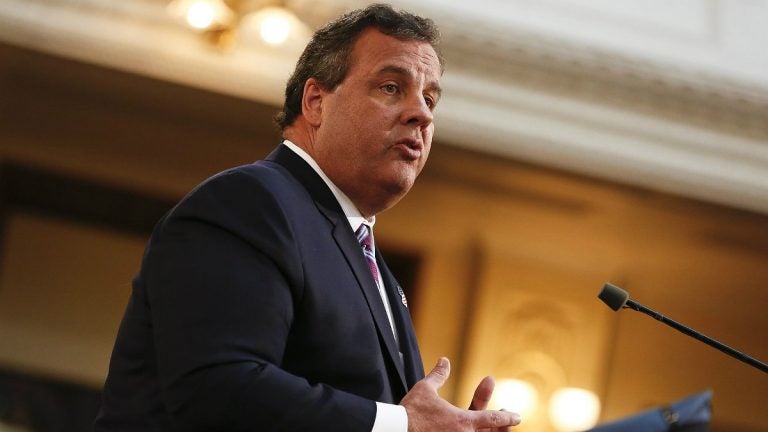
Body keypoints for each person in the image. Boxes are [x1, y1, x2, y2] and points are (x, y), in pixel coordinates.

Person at [94, 4, 521, 431]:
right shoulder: (250, 204)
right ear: (316, 101)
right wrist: (402, 425)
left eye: (429, 98)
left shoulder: (376, 271)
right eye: (392, 87)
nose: (422, 114)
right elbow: (218, 389)